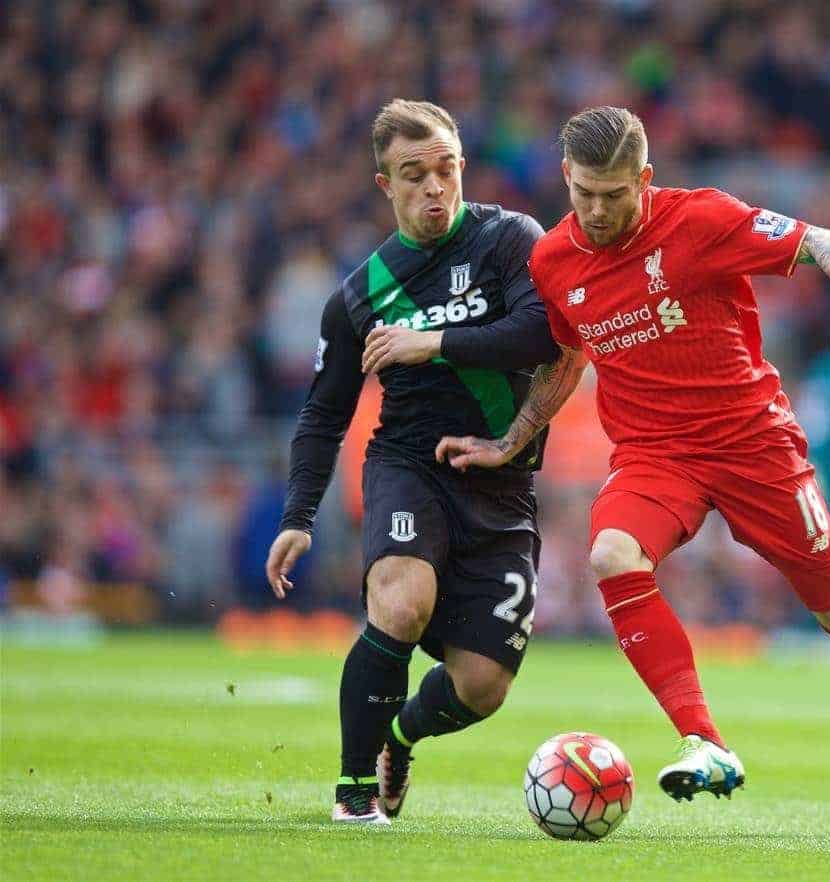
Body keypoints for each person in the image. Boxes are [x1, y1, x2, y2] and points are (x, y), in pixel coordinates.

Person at [436, 106, 830, 802]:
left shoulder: (700, 222)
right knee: (612, 554)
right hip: (654, 453)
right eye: (584, 193)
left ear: (645, 178)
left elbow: (821, 241)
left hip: (752, 443)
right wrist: (513, 440)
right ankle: (706, 741)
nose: (599, 210)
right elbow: (566, 358)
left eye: (615, 194)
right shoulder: (552, 260)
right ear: (565, 178)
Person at [265, 99, 559, 824]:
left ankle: (401, 737)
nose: (434, 187)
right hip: (410, 466)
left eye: (445, 169)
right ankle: (353, 792)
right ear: (384, 185)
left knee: (483, 685)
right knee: (400, 602)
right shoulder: (361, 294)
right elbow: (323, 412)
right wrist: (299, 516)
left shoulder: (510, 240)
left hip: (504, 484)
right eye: (414, 174)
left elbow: (541, 333)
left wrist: (432, 344)